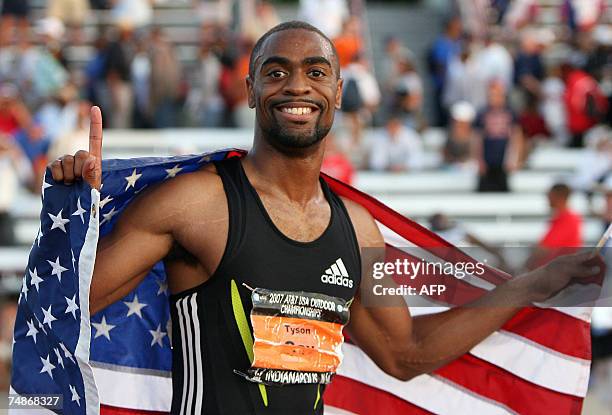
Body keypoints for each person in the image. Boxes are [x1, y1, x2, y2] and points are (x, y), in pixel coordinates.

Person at [51, 21, 603, 414]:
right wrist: (76, 208)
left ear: (337, 94)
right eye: (276, 72)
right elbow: (68, 308)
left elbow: (403, 352)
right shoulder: (196, 204)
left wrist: (533, 284)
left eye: (316, 72)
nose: (297, 86)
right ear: (249, 91)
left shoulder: (358, 230)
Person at [525, 183, 583, 270]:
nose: (547, 198)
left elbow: (545, 249)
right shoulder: (563, 218)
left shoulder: (568, 219)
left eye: (550, 195)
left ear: (558, 196)